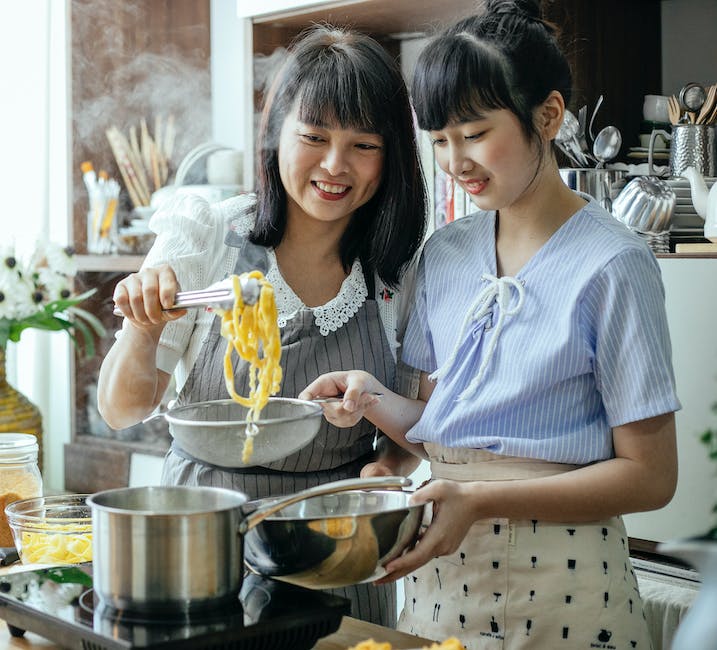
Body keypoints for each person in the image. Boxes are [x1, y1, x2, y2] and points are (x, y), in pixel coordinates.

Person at [299, 1, 681, 647]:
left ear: (548, 115)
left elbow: (650, 477)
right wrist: (372, 400)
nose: (454, 161)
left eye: (474, 133)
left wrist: (480, 500)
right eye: (439, 140)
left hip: (568, 585)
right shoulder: (442, 254)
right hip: (441, 583)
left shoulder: (614, 263)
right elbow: (436, 435)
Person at [97, 25, 427, 627]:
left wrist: (387, 471)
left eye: (364, 145)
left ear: (392, 156)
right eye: (314, 136)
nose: (335, 165)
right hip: (203, 537)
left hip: (335, 541)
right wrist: (143, 328)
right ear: (277, 134)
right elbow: (122, 409)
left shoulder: (397, 272)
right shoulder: (205, 236)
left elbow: (411, 425)